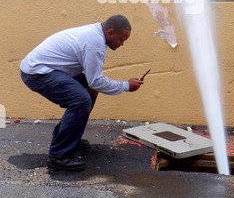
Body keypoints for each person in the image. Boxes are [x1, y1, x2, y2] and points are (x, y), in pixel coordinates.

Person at [20, 15, 143, 172]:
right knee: (81, 99)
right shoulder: (95, 43)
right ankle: (59, 155)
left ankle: (69, 139)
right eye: (120, 39)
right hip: (37, 73)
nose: (122, 44)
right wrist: (126, 86)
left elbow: (94, 82)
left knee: (89, 91)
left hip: (50, 69)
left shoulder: (96, 34)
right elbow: (96, 80)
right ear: (110, 32)